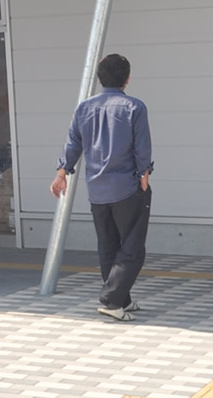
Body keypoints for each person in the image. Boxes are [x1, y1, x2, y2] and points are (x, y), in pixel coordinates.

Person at [50, 53, 154, 322]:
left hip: (96, 189)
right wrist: (145, 175)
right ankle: (111, 301)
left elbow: (73, 143)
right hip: (127, 187)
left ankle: (123, 299)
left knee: (108, 246)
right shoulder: (135, 107)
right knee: (132, 248)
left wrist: (62, 173)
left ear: (99, 78)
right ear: (127, 78)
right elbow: (142, 147)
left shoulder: (84, 108)